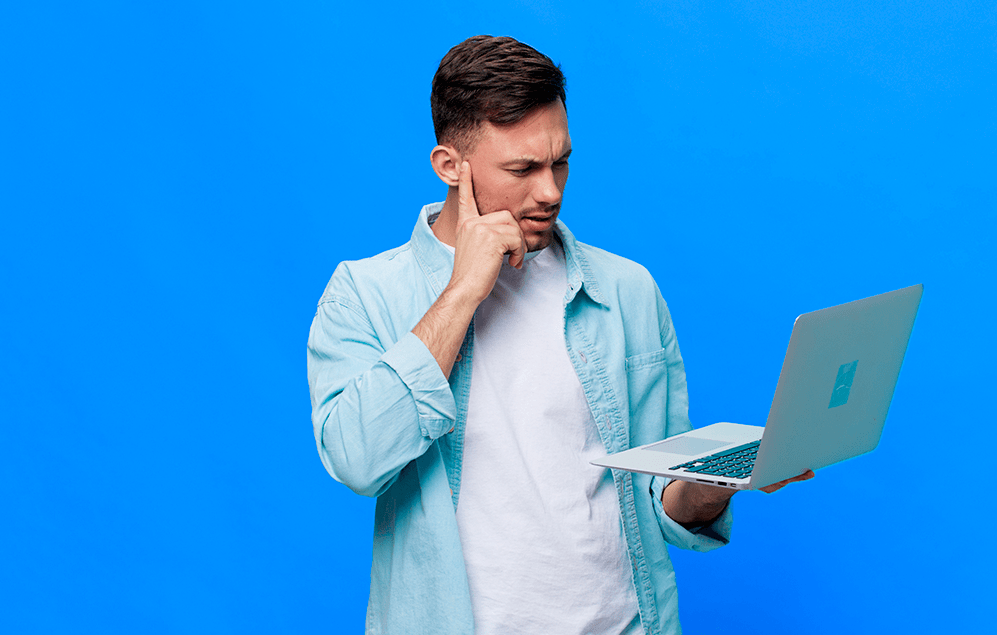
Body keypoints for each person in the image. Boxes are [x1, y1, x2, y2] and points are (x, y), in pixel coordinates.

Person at [306, 35, 812, 635]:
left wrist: (719, 484)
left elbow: (659, 505)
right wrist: (464, 290)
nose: (550, 191)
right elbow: (357, 461)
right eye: (521, 169)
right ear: (449, 166)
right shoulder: (364, 294)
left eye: (560, 162)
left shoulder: (626, 291)